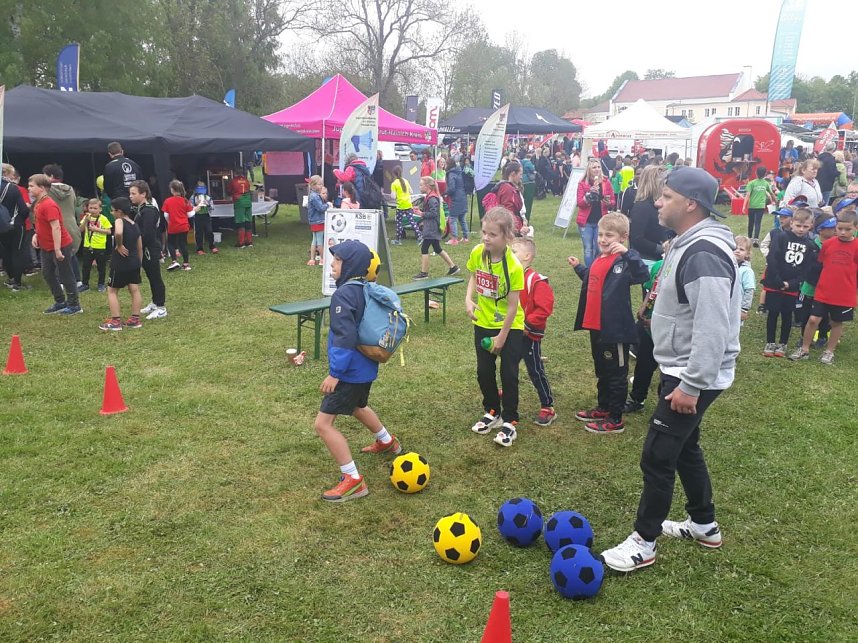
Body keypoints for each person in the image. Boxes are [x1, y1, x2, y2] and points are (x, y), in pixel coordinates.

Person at [600, 166, 741, 573]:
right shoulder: (686, 242)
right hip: (681, 367)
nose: (657, 202)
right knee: (685, 447)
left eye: (666, 197)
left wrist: (692, 385)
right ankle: (704, 524)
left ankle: (644, 542)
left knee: (658, 454)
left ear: (690, 204)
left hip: (692, 375)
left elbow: (713, 327)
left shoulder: (704, 253)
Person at [314, 240, 401, 502]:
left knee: (323, 424)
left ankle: (353, 480)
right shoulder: (365, 288)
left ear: (349, 265)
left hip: (349, 371)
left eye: (337, 260)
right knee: (357, 406)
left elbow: (344, 336)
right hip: (366, 367)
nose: (332, 264)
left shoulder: (343, 295)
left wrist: (335, 373)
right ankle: (387, 441)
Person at [569, 212, 649, 434]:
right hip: (596, 326)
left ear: (623, 237)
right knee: (603, 369)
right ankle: (604, 407)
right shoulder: (599, 258)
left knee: (616, 374)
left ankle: (615, 419)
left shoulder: (624, 261)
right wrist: (579, 268)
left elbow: (642, 274)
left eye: (609, 236)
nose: (603, 239)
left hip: (616, 330)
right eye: (601, 234)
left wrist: (629, 253)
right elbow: (593, 280)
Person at [466, 207, 524, 447]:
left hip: (510, 327)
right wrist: (468, 299)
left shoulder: (514, 267)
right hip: (483, 322)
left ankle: (510, 420)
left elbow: (513, 307)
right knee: (484, 371)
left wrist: (502, 336)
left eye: (493, 234)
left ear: (507, 237)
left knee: (508, 373)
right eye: (484, 232)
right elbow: (473, 275)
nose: (486, 238)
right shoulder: (479, 253)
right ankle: (492, 410)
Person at [790, 208, 858, 365]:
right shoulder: (828, 244)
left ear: (856, 228)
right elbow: (821, 263)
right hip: (823, 291)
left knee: (835, 322)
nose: (842, 232)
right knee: (813, 319)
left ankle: (829, 352)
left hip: (844, 293)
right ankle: (804, 349)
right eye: (839, 228)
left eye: (847, 229)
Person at [511, 237, 556, 426]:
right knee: (509, 366)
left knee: (535, 369)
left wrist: (527, 325)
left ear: (527, 256)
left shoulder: (536, 281)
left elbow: (544, 308)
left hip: (529, 335)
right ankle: (509, 391)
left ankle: (548, 406)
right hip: (513, 332)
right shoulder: (513, 276)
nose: (509, 255)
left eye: (513, 252)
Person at [761, 207, 813, 357]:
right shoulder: (781, 237)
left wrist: (791, 283)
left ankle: (783, 344)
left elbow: (805, 270)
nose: (801, 229)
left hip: (792, 287)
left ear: (811, 226)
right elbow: (772, 258)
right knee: (773, 313)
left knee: (787, 315)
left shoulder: (809, 245)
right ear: (791, 223)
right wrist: (778, 281)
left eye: (805, 226)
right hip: (774, 284)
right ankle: (770, 342)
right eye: (798, 225)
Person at [28, 174, 82, 315]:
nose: (29, 188)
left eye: (31, 186)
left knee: (66, 274)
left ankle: (74, 305)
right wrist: (36, 234)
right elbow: (41, 223)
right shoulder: (38, 203)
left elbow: (56, 227)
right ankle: (60, 301)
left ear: (42, 188)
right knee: (47, 273)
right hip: (46, 246)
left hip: (60, 245)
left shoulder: (49, 204)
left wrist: (58, 250)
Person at [791, 213, 837, 354]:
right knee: (806, 314)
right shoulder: (811, 245)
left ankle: (823, 335)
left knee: (825, 314)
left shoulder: (836, 245)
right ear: (821, 229)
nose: (835, 229)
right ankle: (804, 337)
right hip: (810, 287)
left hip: (828, 288)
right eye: (831, 227)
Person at [99, 197, 143, 331]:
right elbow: (140, 246)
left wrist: (119, 245)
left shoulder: (119, 220)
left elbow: (118, 232)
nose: (111, 213)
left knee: (112, 291)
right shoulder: (134, 224)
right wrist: (139, 264)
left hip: (120, 262)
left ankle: (115, 322)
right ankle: (135, 319)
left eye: (112, 211)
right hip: (134, 262)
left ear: (119, 211)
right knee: (134, 290)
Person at [129, 180, 167, 320]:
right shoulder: (141, 209)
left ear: (143, 194)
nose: (131, 196)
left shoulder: (149, 210)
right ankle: (155, 302)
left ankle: (161, 307)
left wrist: (137, 245)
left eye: (133, 193)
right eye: (130, 193)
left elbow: (148, 233)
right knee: (151, 276)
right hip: (144, 248)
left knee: (155, 276)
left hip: (149, 248)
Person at [42, 165, 82, 289]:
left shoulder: (47, 191)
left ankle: (62, 281)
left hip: (57, 225)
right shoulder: (70, 189)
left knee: (58, 255)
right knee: (71, 253)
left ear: (51, 177)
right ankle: (77, 279)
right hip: (72, 225)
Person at [412, 176, 460, 280]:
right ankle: (453, 267)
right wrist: (420, 211)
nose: (419, 187)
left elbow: (434, 213)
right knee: (437, 248)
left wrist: (422, 213)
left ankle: (424, 273)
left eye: (421, 185)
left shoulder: (432, 198)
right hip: (432, 227)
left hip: (431, 228)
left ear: (428, 186)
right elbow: (431, 210)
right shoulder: (430, 196)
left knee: (424, 248)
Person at [576, 161, 615, 267]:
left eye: (598, 167)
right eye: (594, 167)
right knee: (588, 249)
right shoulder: (583, 183)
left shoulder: (606, 182)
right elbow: (580, 203)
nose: (597, 169)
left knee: (599, 247)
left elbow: (612, 200)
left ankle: (597, 268)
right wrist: (589, 194)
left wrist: (608, 203)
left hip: (601, 221)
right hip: (586, 222)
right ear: (589, 169)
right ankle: (589, 273)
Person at [629, 165, 669, 267]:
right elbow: (637, 239)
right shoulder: (642, 206)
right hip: (649, 260)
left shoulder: (656, 204)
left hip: (660, 257)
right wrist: (662, 248)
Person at [0, 164, 30, 291]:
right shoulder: (12, 188)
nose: (14, 177)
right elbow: (23, 209)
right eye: (12, 174)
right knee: (17, 252)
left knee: (6, 252)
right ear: (6, 173)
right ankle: (17, 283)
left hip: (1, 226)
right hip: (15, 225)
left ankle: (11, 278)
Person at [78, 198, 112, 293]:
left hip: (100, 246)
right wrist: (85, 221)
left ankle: (101, 284)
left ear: (100, 209)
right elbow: (80, 229)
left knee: (101, 266)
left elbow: (109, 231)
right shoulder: (86, 217)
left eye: (95, 208)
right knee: (86, 266)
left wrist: (97, 229)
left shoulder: (103, 218)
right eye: (91, 208)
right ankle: (85, 284)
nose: (92, 210)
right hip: (87, 245)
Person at [161, 180, 194, 271]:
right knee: (183, 244)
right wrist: (195, 209)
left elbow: (166, 215)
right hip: (184, 226)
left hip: (172, 226)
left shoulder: (168, 201)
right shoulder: (185, 200)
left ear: (172, 190)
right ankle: (186, 264)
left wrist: (169, 222)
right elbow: (190, 215)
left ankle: (174, 261)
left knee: (171, 243)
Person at [743, 166, 776, 243]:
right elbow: (771, 193)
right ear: (765, 174)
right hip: (761, 206)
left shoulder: (751, 183)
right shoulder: (766, 183)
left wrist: (744, 206)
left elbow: (747, 195)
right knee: (758, 222)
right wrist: (776, 201)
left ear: (756, 173)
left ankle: (749, 237)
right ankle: (756, 239)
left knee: (751, 222)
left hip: (751, 206)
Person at [496, 160, 529, 236]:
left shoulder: (511, 187)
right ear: (513, 174)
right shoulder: (507, 189)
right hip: (511, 230)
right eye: (520, 174)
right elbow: (508, 212)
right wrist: (517, 229)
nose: (521, 177)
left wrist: (524, 221)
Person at [390, 166, 418, 245]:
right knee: (412, 221)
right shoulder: (406, 181)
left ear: (394, 174)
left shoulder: (394, 183)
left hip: (400, 206)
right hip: (408, 204)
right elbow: (411, 192)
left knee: (399, 223)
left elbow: (393, 197)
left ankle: (398, 240)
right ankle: (420, 236)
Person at [305, 175, 329, 266]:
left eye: (322, 184)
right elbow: (321, 208)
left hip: (313, 221)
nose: (321, 186)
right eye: (319, 184)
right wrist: (328, 205)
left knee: (314, 240)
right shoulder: (315, 196)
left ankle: (312, 259)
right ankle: (322, 259)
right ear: (313, 185)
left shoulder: (312, 195)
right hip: (318, 221)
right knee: (320, 241)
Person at [445, 157, 469, 244]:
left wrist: (445, 193)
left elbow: (451, 188)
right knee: (462, 218)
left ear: (449, 165)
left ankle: (454, 238)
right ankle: (466, 237)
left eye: (446, 164)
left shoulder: (451, 174)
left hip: (456, 198)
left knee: (452, 218)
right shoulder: (459, 172)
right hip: (462, 197)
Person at [732, 235, 755, 324]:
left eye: (741, 249)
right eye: (735, 248)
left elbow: (749, 290)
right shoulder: (728, 266)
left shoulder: (747, 271)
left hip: (738, 308)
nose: (737, 251)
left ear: (747, 254)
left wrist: (744, 309)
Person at [192, 180, 218, 255]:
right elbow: (189, 208)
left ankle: (212, 246)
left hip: (206, 216)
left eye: (203, 188)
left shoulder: (208, 197)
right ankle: (199, 248)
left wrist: (208, 204)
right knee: (199, 232)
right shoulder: (193, 198)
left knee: (209, 231)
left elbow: (213, 207)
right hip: (197, 216)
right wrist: (196, 205)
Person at [229, 169, 254, 248]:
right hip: (247, 201)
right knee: (248, 221)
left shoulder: (233, 181)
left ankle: (241, 243)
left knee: (241, 222)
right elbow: (248, 189)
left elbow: (229, 191)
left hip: (239, 201)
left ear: (235, 173)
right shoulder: (246, 180)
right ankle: (249, 242)